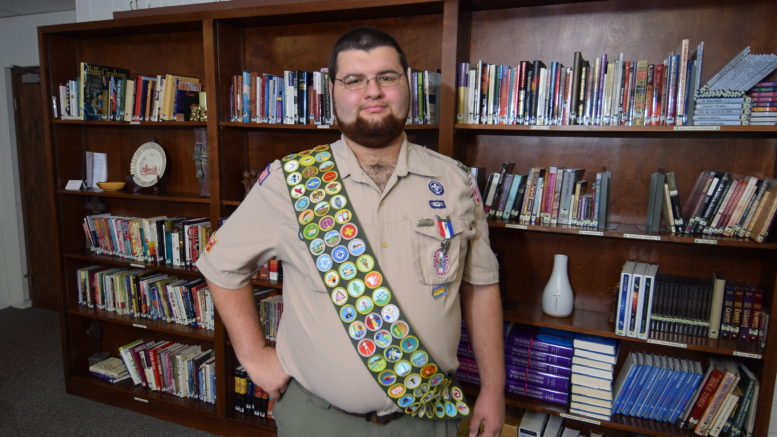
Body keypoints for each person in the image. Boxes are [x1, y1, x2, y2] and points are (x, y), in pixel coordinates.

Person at [196, 26, 504, 437]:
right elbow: (221, 266)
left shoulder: (456, 181)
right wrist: (253, 356)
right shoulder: (290, 182)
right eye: (354, 80)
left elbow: (481, 286)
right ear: (333, 92)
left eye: (387, 77)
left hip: (428, 419)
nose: (372, 91)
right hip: (318, 419)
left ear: (407, 85)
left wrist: (494, 388)